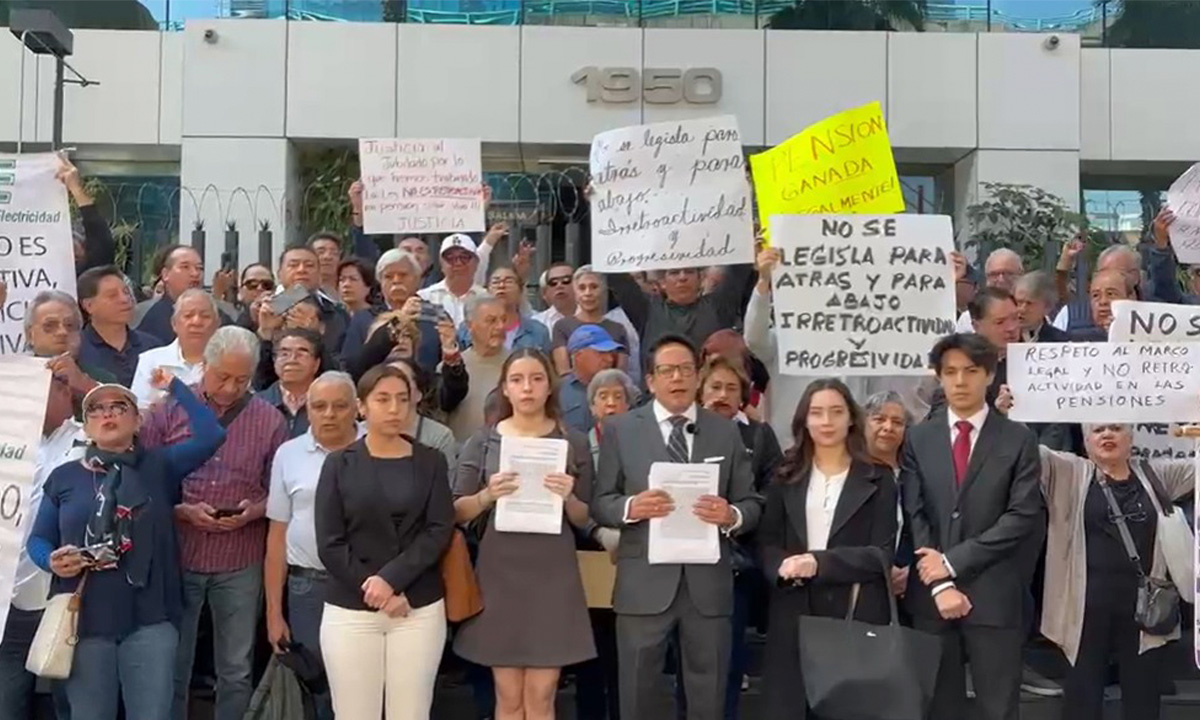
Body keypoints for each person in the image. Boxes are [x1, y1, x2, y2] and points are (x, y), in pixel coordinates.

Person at [30, 373, 225, 720]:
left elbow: (212, 435)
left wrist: (176, 386)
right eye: (96, 409)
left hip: (150, 620)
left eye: (119, 407)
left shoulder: (160, 466)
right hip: (86, 621)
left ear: (137, 421)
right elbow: (38, 540)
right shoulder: (65, 477)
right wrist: (51, 560)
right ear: (86, 426)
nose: (107, 414)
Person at [992, 389, 1194, 720]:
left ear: (1131, 438)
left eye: (1116, 428)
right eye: (1098, 429)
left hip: (1145, 608)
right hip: (1082, 608)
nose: (1107, 434)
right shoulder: (1068, 472)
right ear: (1086, 441)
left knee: (1143, 698)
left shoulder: (1156, 474)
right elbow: (1024, 449)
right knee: (1082, 698)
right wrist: (1004, 414)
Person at [592, 333, 762, 720]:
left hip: (707, 586)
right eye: (667, 370)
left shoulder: (724, 431)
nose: (677, 378)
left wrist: (731, 515)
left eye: (686, 369)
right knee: (638, 695)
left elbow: (752, 503)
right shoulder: (622, 430)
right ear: (651, 381)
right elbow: (601, 502)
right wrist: (632, 506)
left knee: (708, 697)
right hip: (643, 582)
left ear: (698, 376)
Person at [141, 327, 289, 720]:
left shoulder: (270, 420)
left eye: (242, 380)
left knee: (236, 667)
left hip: (240, 557)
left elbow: (280, 489)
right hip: (180, 553)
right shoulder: (167, 410)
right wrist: (180, 509)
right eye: (222, 376)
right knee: (174, 662)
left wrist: (253, 511)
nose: (230, 388)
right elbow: (145, 483)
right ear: (204, 364)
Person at [900, 332, 1044, 720]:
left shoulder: (1018, 439)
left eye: (971, 371)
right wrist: (939, 582)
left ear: (990, 375)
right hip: (931, 598)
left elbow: (1021, 516)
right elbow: (915, 512)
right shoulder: (919, 438)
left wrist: (952, 563)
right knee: (937, 707)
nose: (960, 381)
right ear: (939, 377)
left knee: (998, 707)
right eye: (950, 372)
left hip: (995, 596)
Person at [452, 348, 595, 718]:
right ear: (505, 388)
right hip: (501, 570)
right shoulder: (483, 441)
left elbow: (587, 517)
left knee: (542, 694)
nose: (527, 388)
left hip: (553, 571)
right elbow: (456, 510)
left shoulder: (573, 442)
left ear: (550, 386)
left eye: (536, 379)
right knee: (509, 694)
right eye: (517, 380)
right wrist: (487, 495)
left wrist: (568, 497)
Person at [314, 365, 454, 720]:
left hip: (417, 607)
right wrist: (373, 588)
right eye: (383, 399)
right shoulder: (338, 465)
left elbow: (438, 529)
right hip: (351, 609)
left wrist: (391, 580)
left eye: (402, 400)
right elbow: (330, 542)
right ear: (362, 407)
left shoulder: (431, 461)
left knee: (411, 713)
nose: (395, 409)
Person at [758, 379, 898, 720]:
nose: (826, 421)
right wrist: (781, 566)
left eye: (836, 412)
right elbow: (766, 543)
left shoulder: (878, 477)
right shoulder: (784, 475)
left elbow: (881, 553)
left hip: (853, 613)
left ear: (851, 418)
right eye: (817, 413)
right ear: (804, 420)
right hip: (793, 611)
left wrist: (819, 563)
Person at [265, 371, 361, 720]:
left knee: (364, 686)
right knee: (318, 688)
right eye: (319, 406)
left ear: (357, 408)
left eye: (339, 406)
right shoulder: (288, 454)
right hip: (308, 589)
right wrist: (274, 613)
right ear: (307, 409)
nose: (329, 414)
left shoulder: (379, 447)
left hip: (367, 587)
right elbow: (277, 535)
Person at [696, 354, 782, 720]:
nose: (722, 395)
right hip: (683, 562)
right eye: (715, 387)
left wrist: (736, 514)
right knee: (690, 663)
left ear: (743, 396)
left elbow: (773, 491)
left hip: (737, 562)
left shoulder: (759, 436)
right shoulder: (682, 431)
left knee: (729, 660)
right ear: (700, 391)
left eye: (731, 389)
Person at [0, 370, 85, 719]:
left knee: (69, 696)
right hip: (13, 590)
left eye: (39, 391)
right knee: (8, 696)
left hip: (71, 590)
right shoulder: (9, 441)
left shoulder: (88, 438)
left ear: (65, 392)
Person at [606, 261, 753, 375]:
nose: (682, 277)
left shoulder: (718, 307)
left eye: (689, 271)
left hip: (706, 401)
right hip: (657, 401)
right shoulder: (647, 310)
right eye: (674, 272)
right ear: (662, 282)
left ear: (701, 278)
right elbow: (617, 278)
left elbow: (739, 270)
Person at [341, 249, 442, 371]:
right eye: (388, 276)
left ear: (417, 280)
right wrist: (399, 319)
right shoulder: (363, 318)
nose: (396, 280)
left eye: (403, 275)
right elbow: (351, 366)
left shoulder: (436, 315)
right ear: (380, 282)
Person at [129, 289, 220, 409]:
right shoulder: (150, 361)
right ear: (174, 324)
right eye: (188, 315)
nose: (196, 322)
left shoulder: (228, 363)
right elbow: (139, 410)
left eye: (205, 316)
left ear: (217, 324)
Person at [862, 391, 914, 597]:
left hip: (910, 587)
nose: (888, 427)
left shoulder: (915, 475)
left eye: (897, 422)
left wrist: (911, 571)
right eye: (879, 419)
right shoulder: (850, 473)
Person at [76, 265, 162, 387]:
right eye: (112, 295)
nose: (125, 299)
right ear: (88, 305)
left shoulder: (152, 346)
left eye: (126, 292)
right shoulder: (78, 349)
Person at [135, 245, 229, 344]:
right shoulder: (144, 315)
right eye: (185, 267)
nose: (195, 273)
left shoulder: (219, 314)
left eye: (199, 268)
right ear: (165, 274)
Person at [447, 294, 509, 442]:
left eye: (503, 320)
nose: (500, 326)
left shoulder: (518, 365)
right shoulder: (453, 367)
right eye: (491, 321)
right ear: (470, 325)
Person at [551, 266, 634, 375]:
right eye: (582, 288)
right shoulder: (562, 326)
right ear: (575, 293)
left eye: (594, 287)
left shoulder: (618, 329)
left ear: (603, 291)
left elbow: (621, 374)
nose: (588, 293)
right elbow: (563, 372)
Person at [271, 245, 350, 355]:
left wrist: (317, 333)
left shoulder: (337, 314)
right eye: (293, 265)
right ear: (279, 274)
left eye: (309, 265)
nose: (301, 270)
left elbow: (342, 358)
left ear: (319, 275)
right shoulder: (263, 309)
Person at [26, 290, 106, 398]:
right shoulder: (16, 378)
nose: (62, 332)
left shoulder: (101, 378)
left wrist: (84, 384)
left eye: (70, 325)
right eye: (50, 325)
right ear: (30, 335)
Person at [460, 266, 552, 354]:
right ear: (487, 290)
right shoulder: (468, 327)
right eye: (496, 282)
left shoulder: (537, 331)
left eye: (509, 281)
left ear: (520, 290)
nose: (501, 286)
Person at [388, 357, 458, 469]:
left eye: (403, 380)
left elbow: (447, 479)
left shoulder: (439, 436)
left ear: (419, 393)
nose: (395, 387)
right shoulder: (364, 431)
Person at [258, 328, 324, 438]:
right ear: (274, 361)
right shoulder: (256, 405)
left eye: (301, 354)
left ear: (316, 364)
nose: (292, 360)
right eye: (284, 354)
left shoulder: (329, 405)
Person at [560, 324, 622, 433]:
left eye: (611, 353)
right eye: (601, 353)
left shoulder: (623, 389)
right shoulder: (558, 391)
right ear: (578, 356)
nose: (609, 359)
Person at [418, 234, 489, 326]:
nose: (458, 263)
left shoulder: (487, 298)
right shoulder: (424, 298)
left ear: (476, 263)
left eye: (464, 257)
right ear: (441, 264)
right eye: (450, 258)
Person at [953, 248, 1024, 332]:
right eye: (994, 274)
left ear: (1021, 275)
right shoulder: (967, 319)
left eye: (1008, 273)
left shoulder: (1033, 313)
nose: (1001, 280)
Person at [1070, 268, 1131, 342]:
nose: (1103, 301)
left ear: (1130, 298)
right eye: (1095, 295)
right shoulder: (1074, 341)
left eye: (1110, 294)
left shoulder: (1143, 338)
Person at [1014, 270, 1068, 343]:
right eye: (1018, 302)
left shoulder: (1060, 342)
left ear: (1047, 307)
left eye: (1029, 303)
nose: (1022, 309)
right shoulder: (1003, 337)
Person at [532, 262, 577, 332]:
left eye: (566, 280)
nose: (559, 285)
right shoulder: (536, 323)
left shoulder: (592, 318)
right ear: (546, 291)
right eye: (553, 282)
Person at [232, 263, 275, 331]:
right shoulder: (229, 321)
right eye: (252, 284)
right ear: (241, 291)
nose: (260, 288)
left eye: (266, 285)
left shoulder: (283, 320)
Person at [307, 232, 343, 298]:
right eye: (320, 252)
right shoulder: (297, 294)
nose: (327, 257)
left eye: (333, 252)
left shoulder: (351, 290)